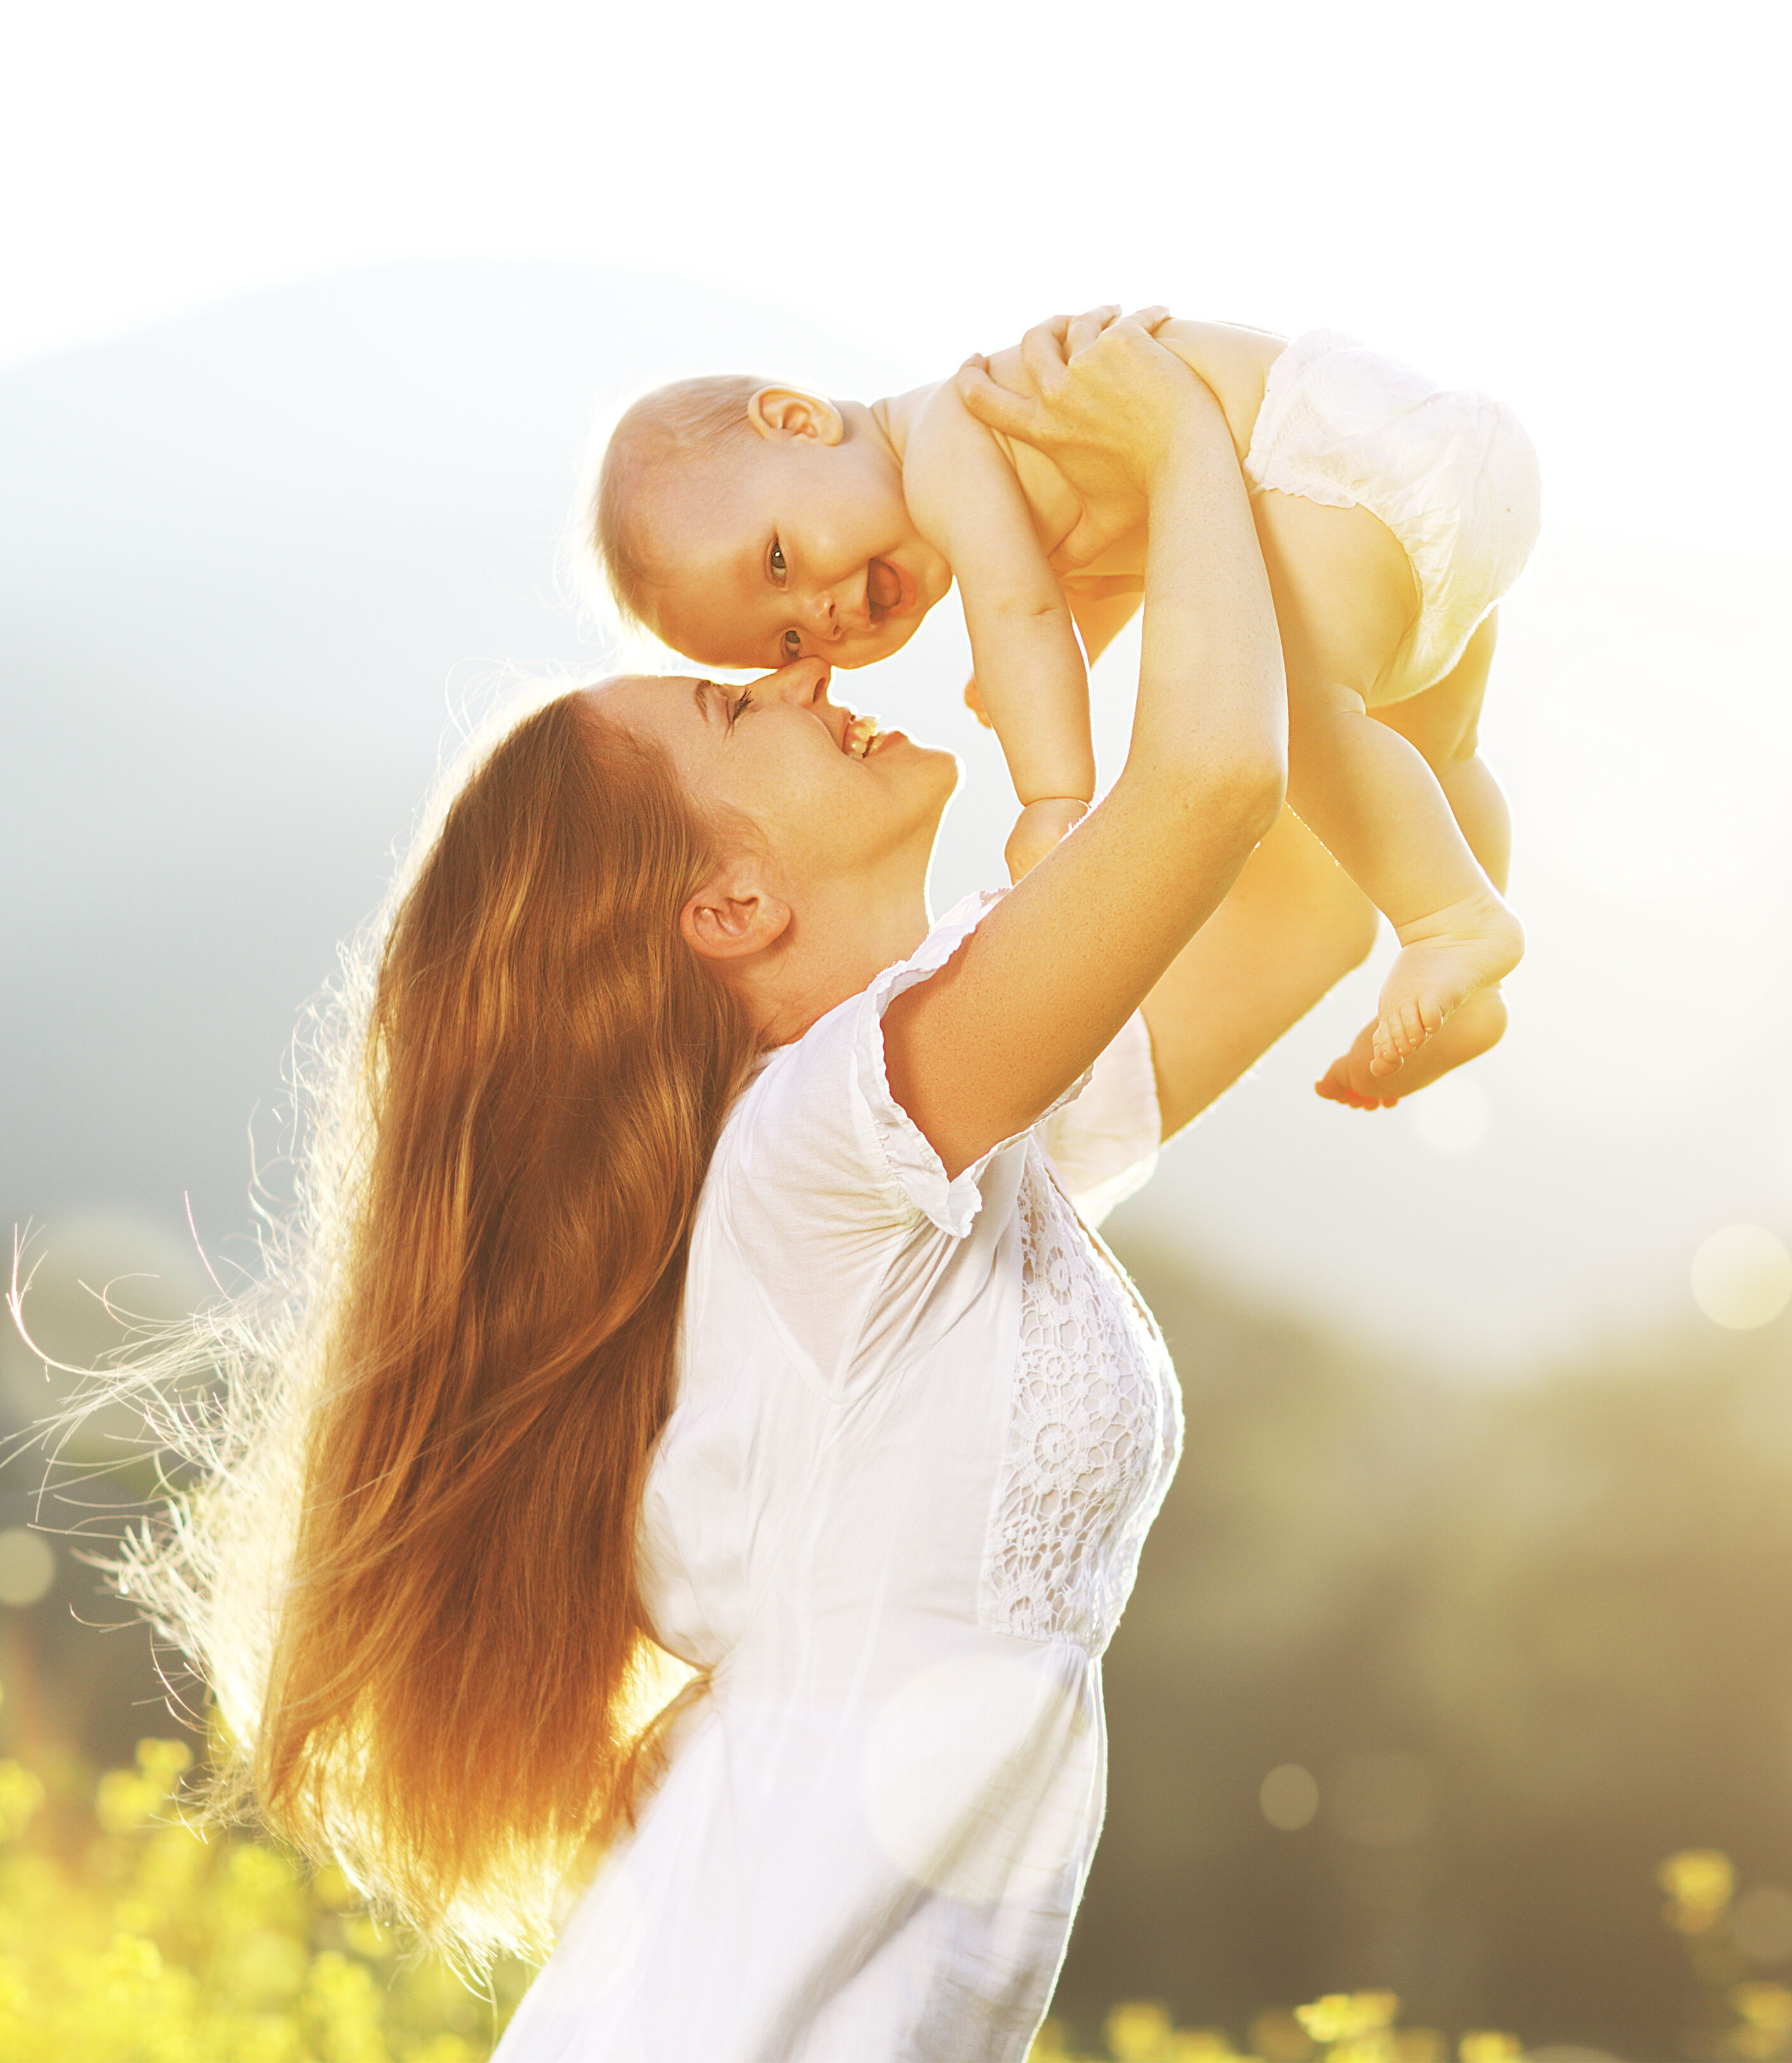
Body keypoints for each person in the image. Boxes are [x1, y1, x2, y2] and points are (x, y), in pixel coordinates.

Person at [93, 309, 1376, 2062]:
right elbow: (1214, 785)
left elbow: (1313, 903)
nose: (799, 674)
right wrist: (1175, 439)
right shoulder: (826, 1147)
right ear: (728, 909)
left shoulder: (920, 1155)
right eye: (730, 700)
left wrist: (1365, 546)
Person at [590, 310, 1538, 1109]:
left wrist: (1052, 797)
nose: (819, 616)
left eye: (779, 563)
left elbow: (1021, 609)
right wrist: (1072, 649)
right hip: (1429, 460)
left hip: (1339, 464)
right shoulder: (1005, 442)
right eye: (789, 641)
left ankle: (1451, 926)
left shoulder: (949, 442)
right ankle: (1476, 960)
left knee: (1305, 709)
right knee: (1443, 749)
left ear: (797, 421)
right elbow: (1122, 554)